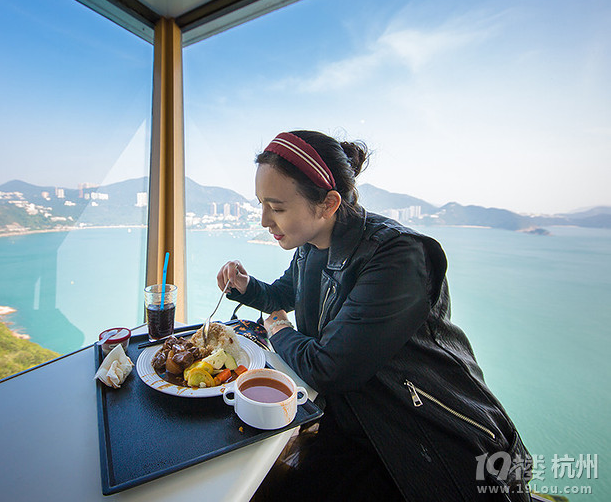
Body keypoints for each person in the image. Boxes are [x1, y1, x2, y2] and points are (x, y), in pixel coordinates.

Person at [217, 131, 532, 501]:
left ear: (328, 204)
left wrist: (278, 328)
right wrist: (246, 287)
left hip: (429, 441)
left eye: (277, 207)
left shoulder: (398, 256)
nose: (264, 220)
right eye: (261, 204)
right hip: (358, 426)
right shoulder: (314, 244)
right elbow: (284, 294)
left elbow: (329, 367)